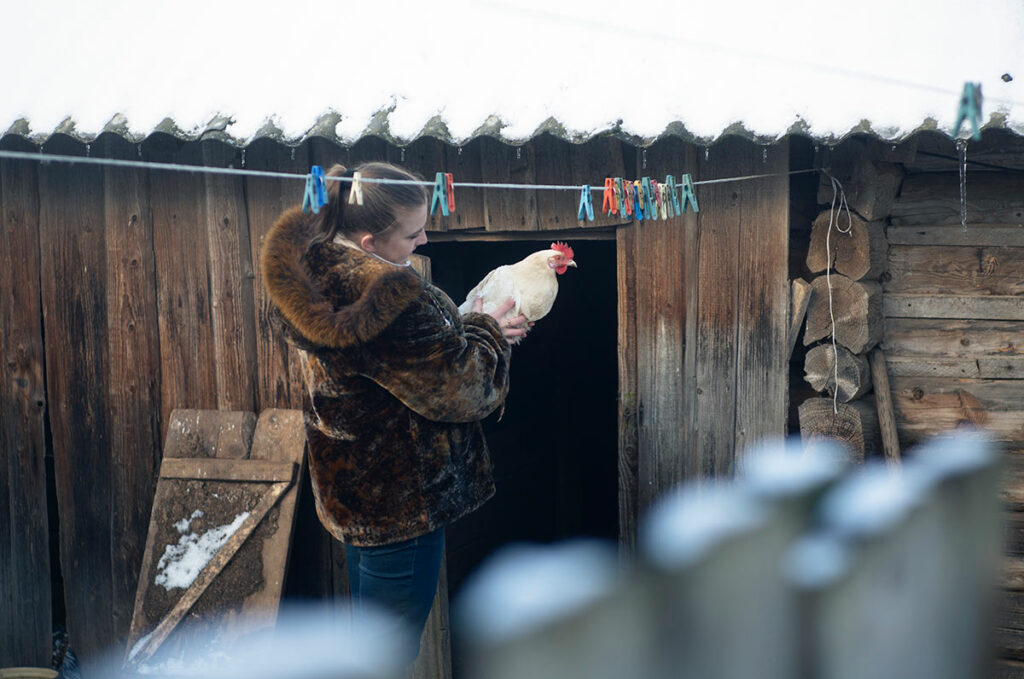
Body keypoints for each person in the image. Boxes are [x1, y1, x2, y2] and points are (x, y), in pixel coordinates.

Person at [259, 161, 525, 665]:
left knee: (371, 648)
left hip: (358, 494)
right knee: (384, 660)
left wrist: (463, 323)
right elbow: (466, 391)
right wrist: (487, 332)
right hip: (404, 505)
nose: (424, 239)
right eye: (411, 234)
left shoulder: (312, 275)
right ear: (368, 242)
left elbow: (395, 366)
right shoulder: (392, 304)